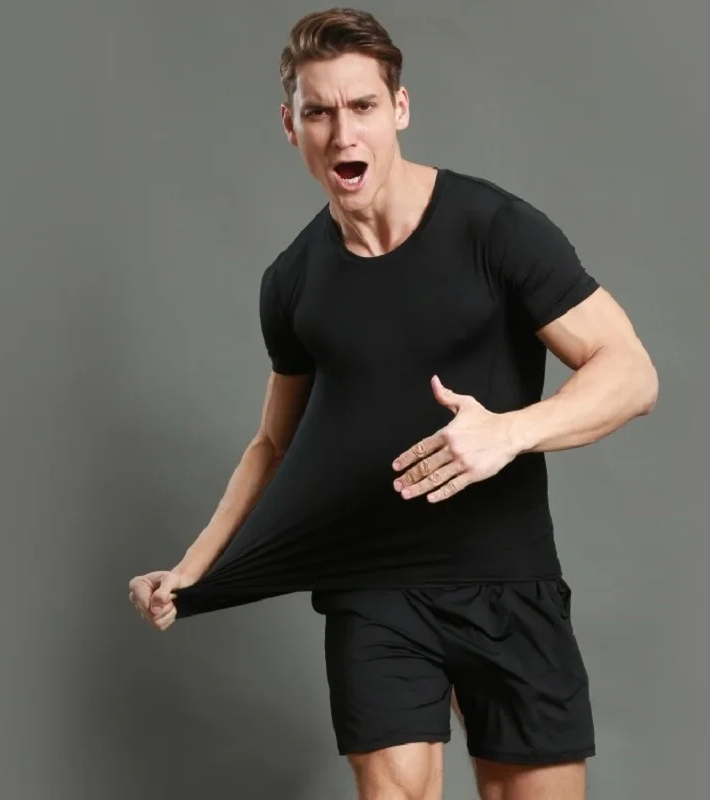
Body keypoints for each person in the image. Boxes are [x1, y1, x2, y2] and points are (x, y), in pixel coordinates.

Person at [128, 8, 658, 799]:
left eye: (363, 106)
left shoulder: (495, 229)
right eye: (319, 111)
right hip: (371, 584)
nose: (344, 133)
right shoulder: (293, 281)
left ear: (399, 109)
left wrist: (510, 433)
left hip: (504, 577)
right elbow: (275, 446)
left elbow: (632, 373)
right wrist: (189, 570)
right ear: (291, 126)